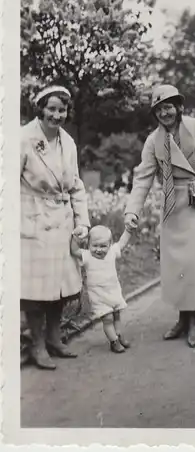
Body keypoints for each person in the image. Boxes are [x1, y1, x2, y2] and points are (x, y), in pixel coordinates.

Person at [124, 84, 195, 348]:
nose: (165, 113)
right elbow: (143, 178)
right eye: (159, 109)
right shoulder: (153, 141)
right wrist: (132, 210)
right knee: (178, 266)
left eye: (169, 106)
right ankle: (183, 319)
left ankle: (194, 321)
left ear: (180, 107)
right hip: (173, 204)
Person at [21, 85, 90, 370]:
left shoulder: (68, 142)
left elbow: (75, 186)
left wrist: (82, 221)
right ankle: (37, 345)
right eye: (51, 109)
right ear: (41, 109)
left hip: (62, 221)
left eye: (62, 110)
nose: (57, 115)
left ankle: (53, 337)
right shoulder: (24, 138)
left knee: (60, 286)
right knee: (37, 290)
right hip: (32, 219)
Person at [70, 225, 132, 354]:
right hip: (98, 296)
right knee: (107, 318)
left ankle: (119, 335)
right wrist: (75, 237)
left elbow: (122, 243)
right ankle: (113, 341)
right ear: (88, 244)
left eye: (103, 246)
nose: (98, 250)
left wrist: (128, 230)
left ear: (109, 244)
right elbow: (74, 250)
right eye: (95, 246)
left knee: (116, 315)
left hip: (113, 292)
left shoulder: (112, 252)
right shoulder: (87, 256)